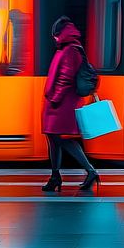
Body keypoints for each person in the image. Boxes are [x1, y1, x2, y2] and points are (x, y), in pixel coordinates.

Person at [41, 16, 100, 192]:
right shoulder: (67, 48)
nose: (54, 39)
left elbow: (65, 78)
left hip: (62, 103)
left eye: (55, 35)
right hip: (58, 101)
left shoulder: (70, 50)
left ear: (60, 34)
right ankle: (55, 176)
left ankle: (90, 171)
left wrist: (54, 99)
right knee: (53, 137)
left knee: (60, 138)